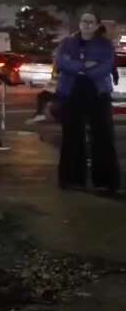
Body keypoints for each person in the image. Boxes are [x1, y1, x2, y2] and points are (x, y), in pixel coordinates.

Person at [55, 12, 119, 195]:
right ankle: (72, 179)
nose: (87, 25)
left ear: (98, 25)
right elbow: (62, 62)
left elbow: (106, 66)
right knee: (72, 135)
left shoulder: (105, 44)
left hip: (97, 91)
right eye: (84, 21)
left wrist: (77, 66)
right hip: (72, 91)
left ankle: (105, 181)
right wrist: (84, 65)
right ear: (79, 23)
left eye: (91, 22)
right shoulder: (67, 42)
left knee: (103, 135)